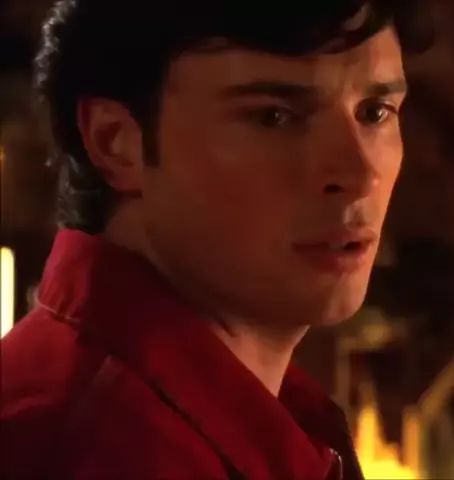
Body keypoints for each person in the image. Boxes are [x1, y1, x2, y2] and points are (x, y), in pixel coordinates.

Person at [0, 1, 428, 478]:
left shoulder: (259, 419)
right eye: (273, 116)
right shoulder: (90, 447)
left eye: (375, 112)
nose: (359, 174)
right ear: (115, 141)